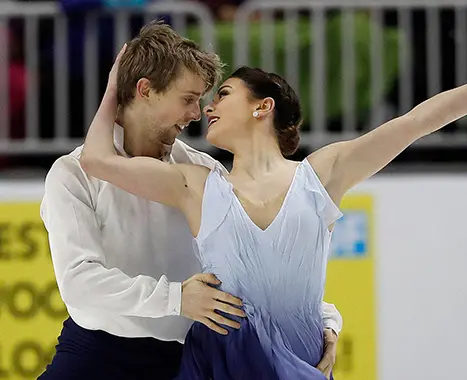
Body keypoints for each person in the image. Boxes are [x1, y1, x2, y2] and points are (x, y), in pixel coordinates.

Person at [80, 37, 467, 377]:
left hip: (298, 361)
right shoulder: (195, 184)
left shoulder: (321, 175)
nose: (207, 106)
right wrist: (115, 85)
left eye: (224, 94)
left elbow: (418, 120)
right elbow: (99, 160)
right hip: (221, 361)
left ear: (263, 106)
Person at [39, 22, 342, 380]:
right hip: (95, 356)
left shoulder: (204, 172)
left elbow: (254, 266)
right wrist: (175, 298)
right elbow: (79, 281)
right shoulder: (72, 174)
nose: (198, 114)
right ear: (145, 90)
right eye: (187, 99)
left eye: (201, 99)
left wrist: (324, 319)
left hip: (187, 361)